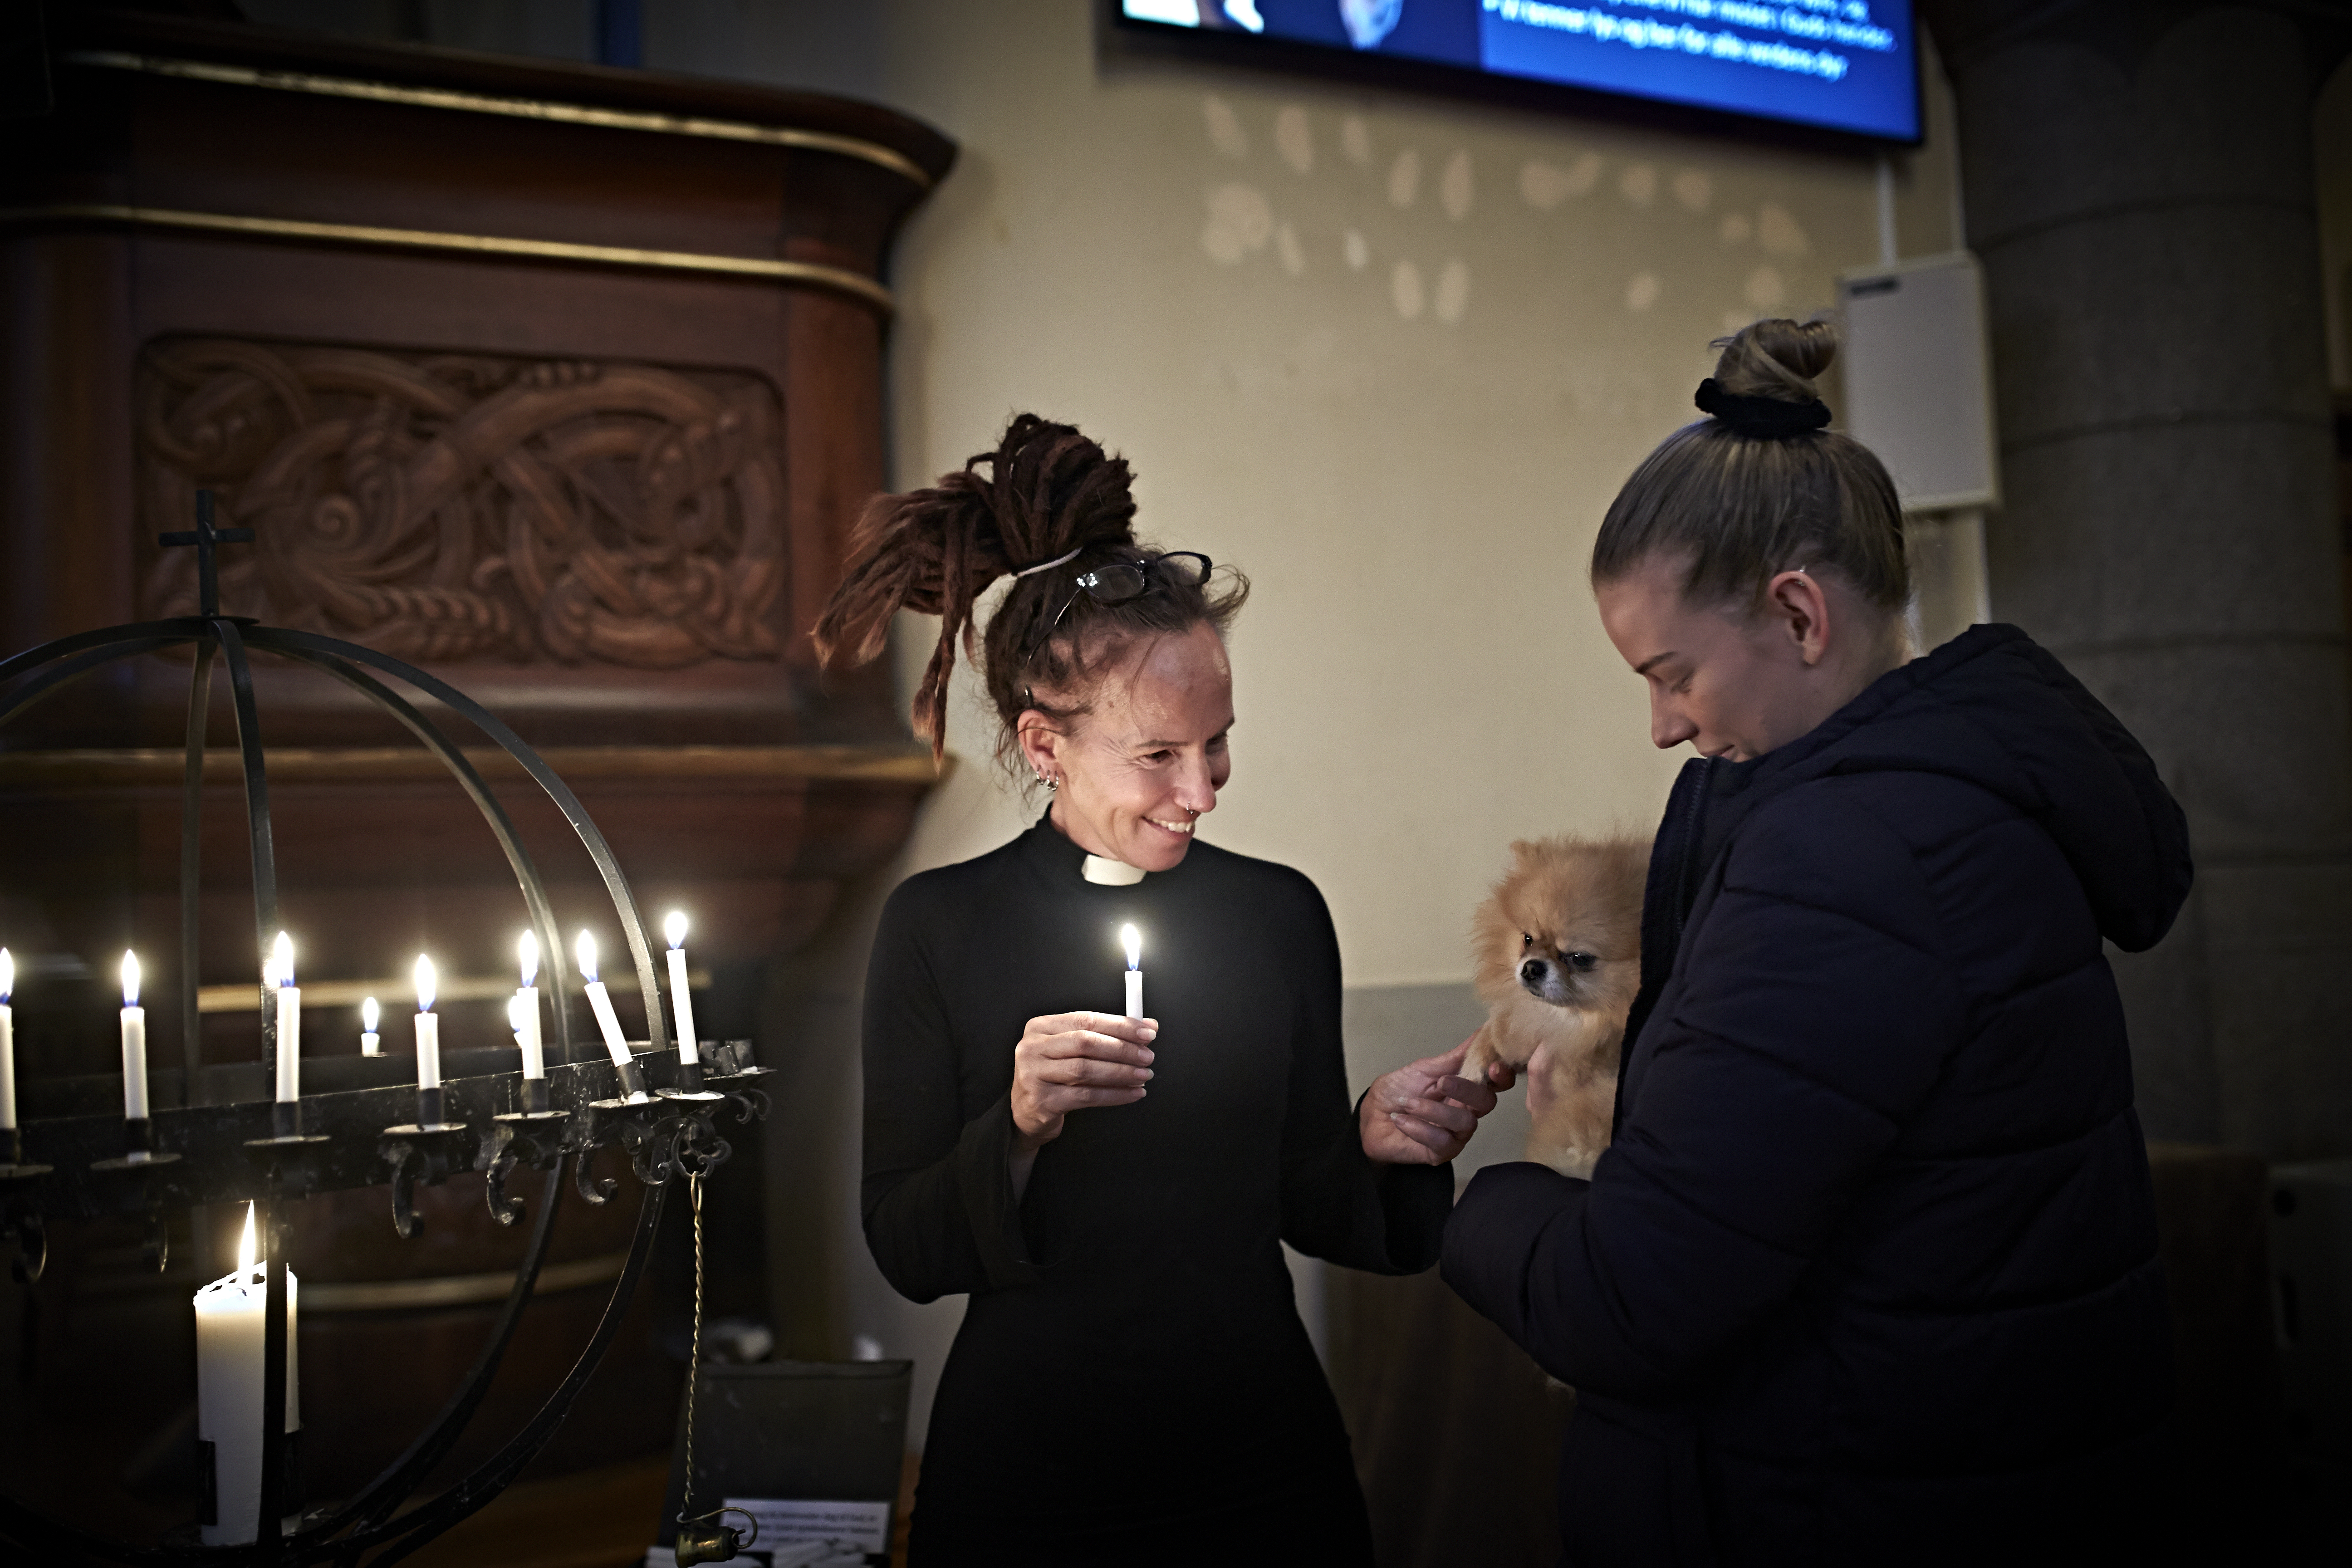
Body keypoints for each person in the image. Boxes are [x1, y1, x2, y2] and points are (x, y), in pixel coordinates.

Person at [1442, 319, 2190, 1564]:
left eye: (1672, 674)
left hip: (1856, 1493)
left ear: (1797, 613)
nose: (1662, 728)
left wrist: (1471, 1206)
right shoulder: (1946, 793)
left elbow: (1642, 1298)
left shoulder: (1855, 853)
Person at [813, 414, 1501, 1565]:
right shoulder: (937, 927)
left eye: (1219, 742)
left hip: (1258, 1457)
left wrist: (1377, 1142)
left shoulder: (1278, 913)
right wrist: (1021, 1128)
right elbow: (908, 1247)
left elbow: (1303, 1198)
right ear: (1044, 745)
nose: (1204, 790)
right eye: (1159, 757)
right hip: (1035, 1471)